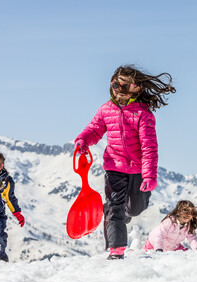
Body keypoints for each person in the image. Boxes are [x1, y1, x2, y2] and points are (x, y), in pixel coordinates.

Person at [74, 65, 176, 259]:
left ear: (136, 88)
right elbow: (95, 129)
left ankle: (122, 212)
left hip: (137, 170)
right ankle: (116, 249)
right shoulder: (106, 109)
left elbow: (149, 148)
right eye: (115, 84)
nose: (118, 88)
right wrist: (83, 140)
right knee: (115, 207)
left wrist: (149, 175)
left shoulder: (143, 114)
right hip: (114, 166)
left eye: (124, 84)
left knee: (136, 209)